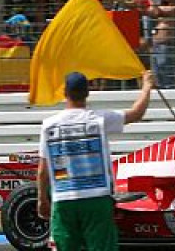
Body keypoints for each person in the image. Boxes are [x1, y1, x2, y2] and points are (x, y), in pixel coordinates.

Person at [36, 70, 155, 251]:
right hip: (97, 197)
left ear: (64, 93)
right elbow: (136, 114)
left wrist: (42, 199)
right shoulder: (99, 119)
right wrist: (147, 86)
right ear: (87, 92)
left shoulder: (49, 125)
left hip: (63, 198)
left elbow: (43, 170)